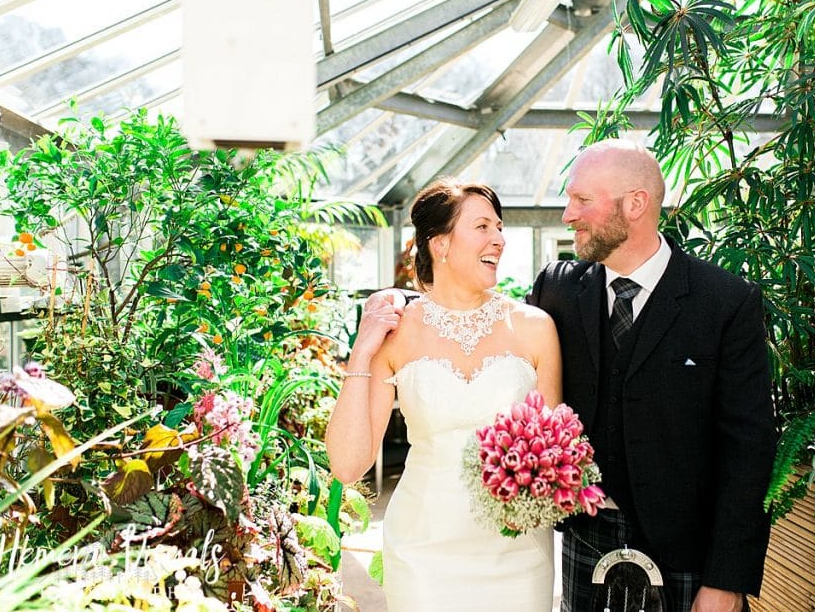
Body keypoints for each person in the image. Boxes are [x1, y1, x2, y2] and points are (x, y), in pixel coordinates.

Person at [528, 139, 776, 612]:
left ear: (636, 203)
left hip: (689, 554)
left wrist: (727, 578)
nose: (567, 214)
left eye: (582, 200)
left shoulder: (725, 302)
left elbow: (749, 448)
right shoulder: (556, 289)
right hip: (586, 536)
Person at [325, 179, 562, 611]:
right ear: (441, 244)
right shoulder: (395, 333)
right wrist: (363, 348)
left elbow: (553, 449)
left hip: (519, 555)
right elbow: (346, 464)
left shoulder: (535, 327)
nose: (499, 239)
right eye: (483, 227)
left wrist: (531, 500)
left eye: (500, 227)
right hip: (423, 554)